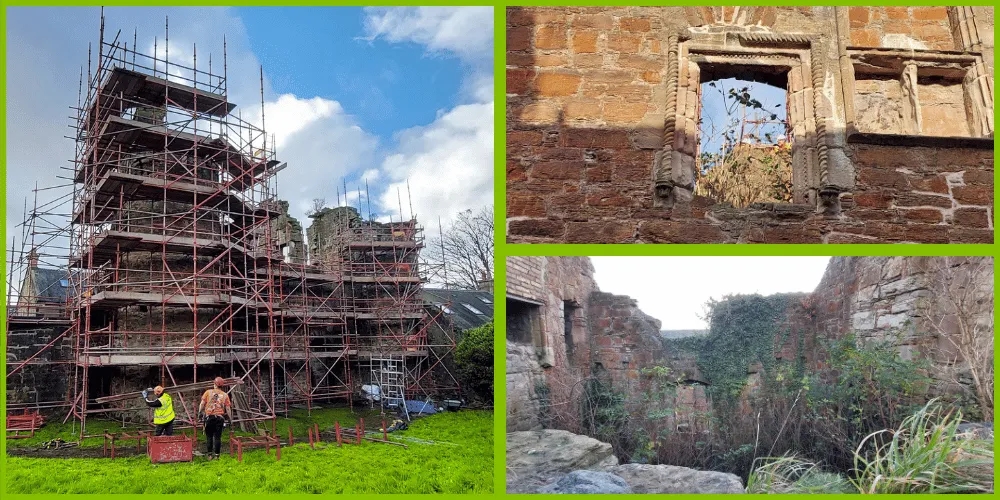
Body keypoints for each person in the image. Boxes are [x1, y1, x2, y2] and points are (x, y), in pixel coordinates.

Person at [198, 377, 233, 461]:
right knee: (217, 437)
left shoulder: (208, 392)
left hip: (209, 418)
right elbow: (228, 408)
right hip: (219, 419)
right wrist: (230, 419)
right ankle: (217, 456)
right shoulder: (225, 395)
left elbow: (202, 403)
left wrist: (199, 413)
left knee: (209, 437)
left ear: (214, 384)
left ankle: (210, 455)